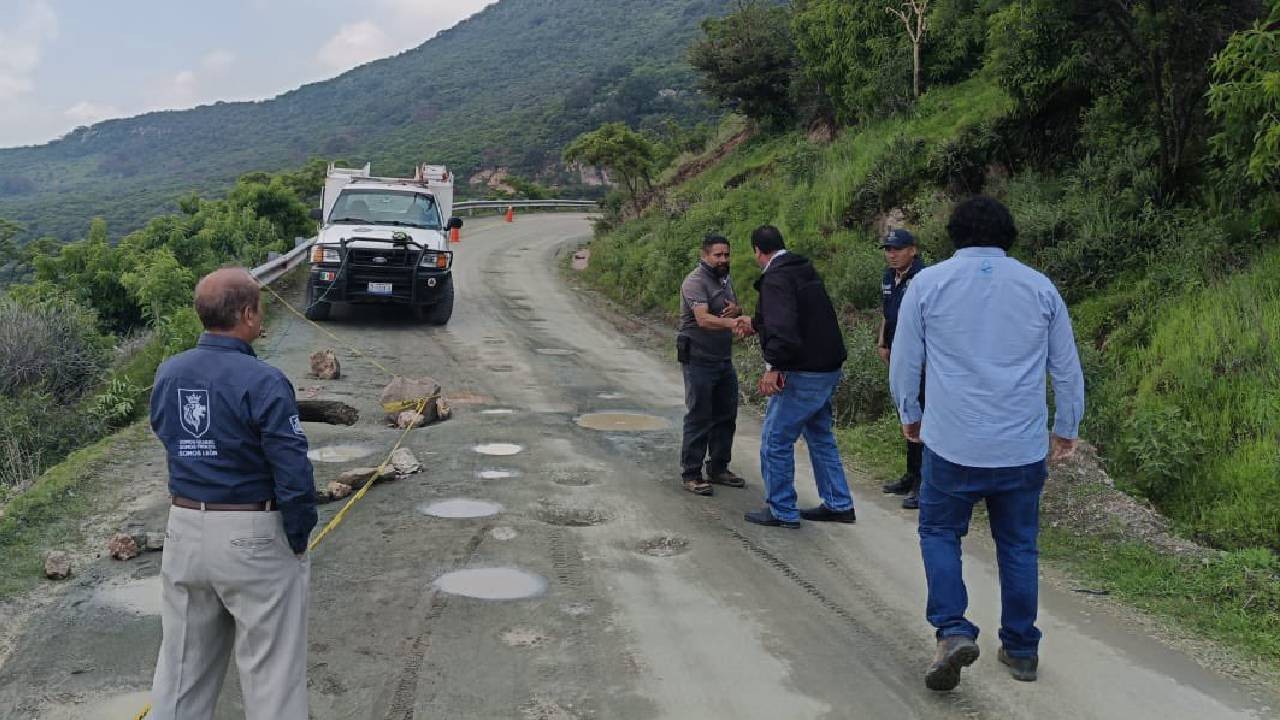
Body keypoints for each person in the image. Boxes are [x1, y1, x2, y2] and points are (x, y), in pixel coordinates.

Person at [888, 197, 1084, 692]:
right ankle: (1021, 648)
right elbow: (1066, 365)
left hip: (952, 442)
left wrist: (910, 414)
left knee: (938, 533)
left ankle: (952, 629)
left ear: (954, 235)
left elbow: (905, 360)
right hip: (1020, 447)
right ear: (1007, 234)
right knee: (1018, 546)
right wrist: (1066, 425)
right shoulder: (1039, 287)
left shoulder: (927, 285)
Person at [148, 267, 318, 720]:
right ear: (245, 314)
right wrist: (298, 539)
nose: (261, 319)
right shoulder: (265, 381)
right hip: (252, 532)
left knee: (181, 672)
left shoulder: (170, 372)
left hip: (184, 530)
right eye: (259, 310)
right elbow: (292, 471)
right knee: (271, 675)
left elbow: (166, 434)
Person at [734, 226, 856, 528]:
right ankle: (839, 503)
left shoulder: (775, 278)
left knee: (775, 439)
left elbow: (785, 327)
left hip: (803, 371)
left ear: (758, 252)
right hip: (827, 368)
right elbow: (796, 314)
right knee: (820, 436)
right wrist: (756, 322)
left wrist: (774, 366)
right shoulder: (802, 268)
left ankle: (781, 509)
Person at [677, 234, 747, 496]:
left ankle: (718, 467)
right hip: (698, 358)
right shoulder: (695, 282)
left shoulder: (725, 278)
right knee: (699, 415)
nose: (723, 259)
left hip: (722, 357)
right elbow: (703, 319)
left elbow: (733, 307)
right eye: (717, 255)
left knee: (726, 414)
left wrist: (736, 311)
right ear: (704, 255)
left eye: (726, 254)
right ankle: (691, 473)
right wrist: (735, 323)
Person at [877, 228, 928, 509]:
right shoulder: (889, 277)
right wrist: (882, 341)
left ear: (913, 250)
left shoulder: (923, 278)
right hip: (897, 354)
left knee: (920, 416)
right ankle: (911, 474)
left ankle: (924, 481)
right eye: (888, 249)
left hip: (919, 360)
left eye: (897, 249)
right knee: (906, 412)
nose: (892, 254)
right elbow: (887, 312)